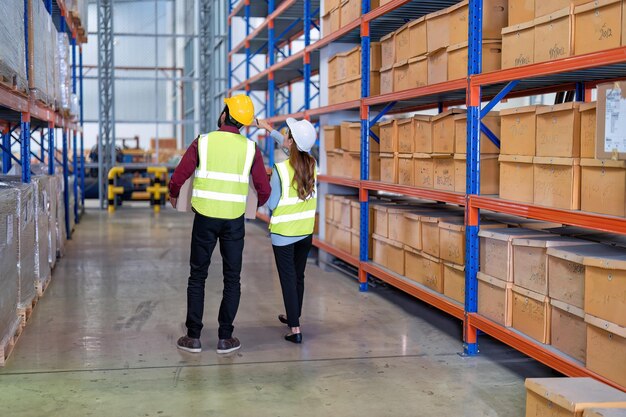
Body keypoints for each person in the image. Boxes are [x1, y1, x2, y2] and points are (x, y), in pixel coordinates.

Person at [169, 95, 271, 354]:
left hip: (205, 218)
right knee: (232, 278)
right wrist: (253, 204)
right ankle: (225, 338)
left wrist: (173, 194)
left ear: (224, 115)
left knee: (198, 276)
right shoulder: (251, 149)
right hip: (234, 221)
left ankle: (193, 337)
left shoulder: (203, 142)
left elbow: (180, 174)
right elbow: (264, 188)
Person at [257, 117, 317, 344]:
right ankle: (294, 315)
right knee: (298, 276)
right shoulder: (312, 164)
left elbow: (272, 204)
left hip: (284, 234)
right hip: (305, 231)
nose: (285, 137)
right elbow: (290, 147)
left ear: (291, 142)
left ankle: (295, 329)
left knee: (287, 279)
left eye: (287, 135)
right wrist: (269, 129)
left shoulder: (281, 169)